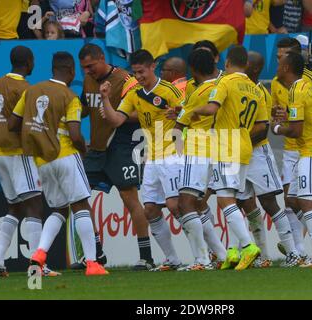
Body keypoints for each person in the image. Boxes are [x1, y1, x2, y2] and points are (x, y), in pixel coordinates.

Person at [9, 51, 108, 276]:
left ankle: (39, 254)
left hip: (42, 160)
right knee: (81, 205)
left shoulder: (31, 91)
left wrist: (39, 133)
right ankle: (93, 263)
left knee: (59, 209)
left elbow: (14, 123)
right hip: (65, 155)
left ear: (53, 69)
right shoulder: (70, 96)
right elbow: (75, 134)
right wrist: (84, 149)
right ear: (71, 71)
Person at [0, 46, 58, 277]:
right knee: (34, 206)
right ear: (28, 63)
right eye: (33, 62)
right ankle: (37, 266)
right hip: (18, 153)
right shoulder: (26, 89)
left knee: (14, 207)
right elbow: (32, 125)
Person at [99, 49, 183, 271]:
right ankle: (172, 259)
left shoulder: (169, 90)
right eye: (135, 73)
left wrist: (180, 120)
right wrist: (106, 99)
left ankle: (207, 257)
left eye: (142, 72)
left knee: (177, 206)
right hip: (151, 159)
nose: (139, 77)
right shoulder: (135, 93)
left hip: (173, 155)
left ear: (153, 67)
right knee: (150, 210)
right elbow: (116, 120)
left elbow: (187, 116)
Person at [78, 44, 154, 270]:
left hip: (121, 146)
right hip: (97, 150)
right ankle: (95, 253)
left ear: (102, 58)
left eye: (90, 66)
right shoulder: (88, 80)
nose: (87, 71)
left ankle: (146, 257)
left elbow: (140, 111)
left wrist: (116, 113)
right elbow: (83, 108)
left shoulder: (125, 79)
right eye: (83, 68)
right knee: (79, 197)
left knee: (129, 199)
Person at [192, 45, 262, 271]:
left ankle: (248, 246)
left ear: (228, 63)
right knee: (231, 199)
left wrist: (192, 111)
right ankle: (233, 252)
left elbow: (212, 109)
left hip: (226, 144)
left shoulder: (226, 82)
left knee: (224, 199)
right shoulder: (254, 88)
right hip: (244, 145)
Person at [237, 50, 301, 268]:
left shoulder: (261, 93)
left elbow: (263, 130)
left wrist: (239, 140)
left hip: (257, 154)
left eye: (244, 63)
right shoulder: (236, 88)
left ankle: (293, 252)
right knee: (245, 203)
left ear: (254, 69)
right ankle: (262, 256)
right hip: (239, 155)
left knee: (269, 202)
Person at [272, 51, 312, 267]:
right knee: (293, 199)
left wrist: (278, 128)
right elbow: (304, 121)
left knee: (307, 202)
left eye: (280, 63)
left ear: (287, 68)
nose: (277, 66)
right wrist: (286, 119)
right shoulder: (303, 86)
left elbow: (296, 131)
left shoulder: (297, 90)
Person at [175, 48, 228, 270]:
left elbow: (177, 129)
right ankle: (221, 254)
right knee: (198, 203)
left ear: (194, 70)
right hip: (219, 151)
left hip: (196, 151)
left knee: (184, 204)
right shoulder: (222, 87)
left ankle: (201, 260)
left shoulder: (196, 95)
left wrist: (178, 154)